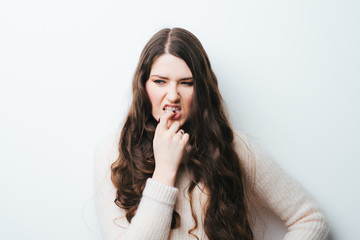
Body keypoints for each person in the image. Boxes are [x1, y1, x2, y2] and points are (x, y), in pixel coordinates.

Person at [94, 27, 329, 240]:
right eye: (160, 81)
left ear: (201, 89)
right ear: (144, 86)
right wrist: (164, 170)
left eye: (186, 83)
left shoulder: (232, 147)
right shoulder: (112, 153)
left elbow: (310, 219)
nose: (173, 95)